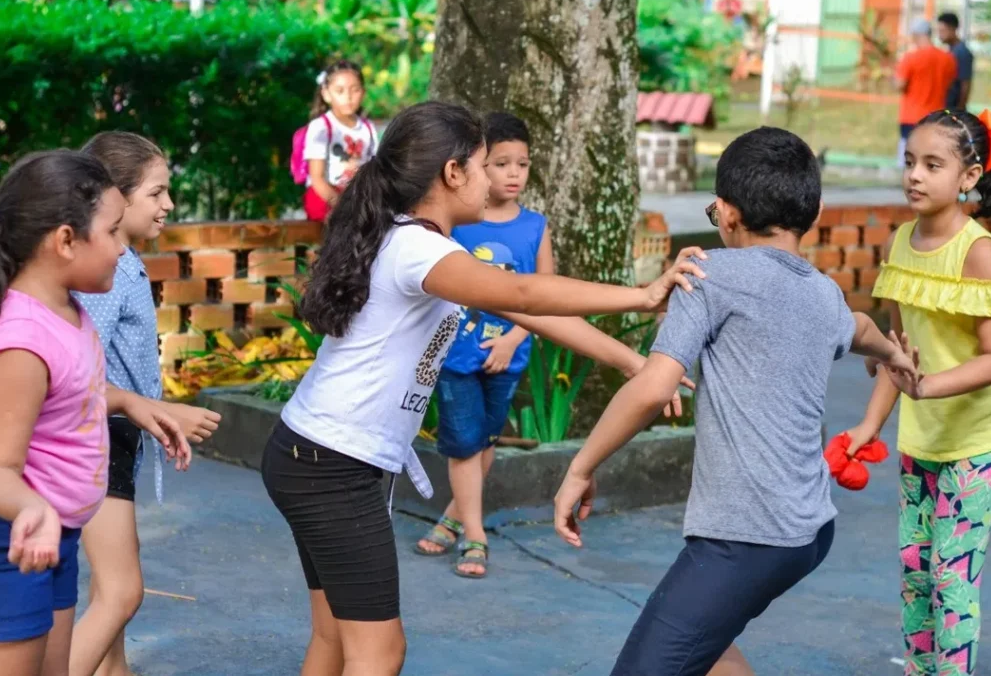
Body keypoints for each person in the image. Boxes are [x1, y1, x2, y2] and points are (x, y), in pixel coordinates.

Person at [260, 100, 702, 676]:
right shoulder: (420, 249)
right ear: (452, 173)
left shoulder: (414, 240)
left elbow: (531, 310)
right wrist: (642, 296)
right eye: (482, 164)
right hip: (333, 463)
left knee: (336, 637)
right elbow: (523, 297)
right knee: (379, 652)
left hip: (311, 452)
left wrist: (630, 361)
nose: (495, 179)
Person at [552, 127, 920, 676]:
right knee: (708, 643)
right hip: (809, 532)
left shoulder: (708, 274)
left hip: (744, 537)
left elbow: (654, 387)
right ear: (813, 214)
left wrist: (580, 467)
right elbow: (859, 325)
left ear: (725, 213)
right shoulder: (823, 292)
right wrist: (895, 354)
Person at [0, 151, 185, 676]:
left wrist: (130, 403)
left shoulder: (67, 309)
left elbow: (67, 396)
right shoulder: (21, 342)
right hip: (5, 539)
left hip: (49, 534)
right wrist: (32, 511)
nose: (123, 250)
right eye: (112, 233)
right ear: (64, 241)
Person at [843, 108, 991, 676]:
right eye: (909, 162)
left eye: (932, 164)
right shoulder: (901, 241)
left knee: (951, 571)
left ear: (968, 178)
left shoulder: (981, 253)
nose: (915, 176)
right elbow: (897, 352)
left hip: (985, 433)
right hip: (925, 434)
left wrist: (926, 387)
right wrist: (870, 425)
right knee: (916, 566)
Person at [69, 132, 221, 676]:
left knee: (109, 591)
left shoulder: (122, 262)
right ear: (115, 196)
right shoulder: (105, 273)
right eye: (157, 193)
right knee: (122, 592)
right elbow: (77, 378)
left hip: (111, 439)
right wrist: (153, 410)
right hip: (95, 441)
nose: (168, 205)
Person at [413, 112, 554, 578]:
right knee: (462, 444)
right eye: (500, 163)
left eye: (523, 163)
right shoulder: (459, 224)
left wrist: (513, 339)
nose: (514, 173)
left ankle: (454, 516)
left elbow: (544, 295)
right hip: (456, 357)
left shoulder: (535, 226)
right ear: (474, 167)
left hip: (508, 356)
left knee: (485, 439)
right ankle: (476, 534)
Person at [302, 60, 378, 223]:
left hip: (356, 195)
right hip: (325, 196)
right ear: (326, 94)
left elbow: (374, 170)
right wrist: (340, 205)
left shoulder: (368, 128)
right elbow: (317, 178)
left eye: (355, 90)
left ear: (363, 92)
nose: (348, 97)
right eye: (340, 91)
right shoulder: (321, 127)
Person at [895, 19, 956, 168]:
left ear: (916, 35)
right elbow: (950, 84)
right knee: (931, 161)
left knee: (909, 162)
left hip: (911, 117)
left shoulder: (910, 58)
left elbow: (899, 85)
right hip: (936, 117)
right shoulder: (948, 59)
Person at [937, 12, 974, 111]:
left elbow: (965, 83)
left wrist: (960, 109)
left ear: (952, 29)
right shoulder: (951, 50)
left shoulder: (962, 52)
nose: (939, 35)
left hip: (954, 108)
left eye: (942, 31)